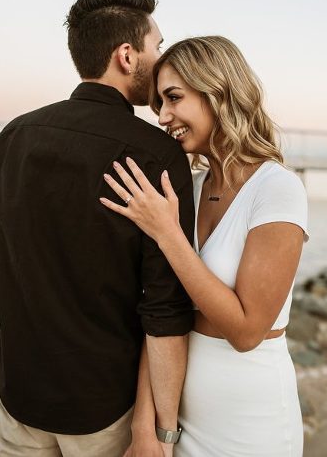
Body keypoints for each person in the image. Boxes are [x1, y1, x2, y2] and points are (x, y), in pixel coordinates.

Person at [0, 0, 195, 457]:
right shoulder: (157, 152)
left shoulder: (11, 137)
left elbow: (2, 252)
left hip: (17, 393)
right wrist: (161, 433)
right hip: (105, 409)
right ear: (127, 55)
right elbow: (164, 306)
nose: (160, 59)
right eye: (156, 46)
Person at [100, 36, 307, 456]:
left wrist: (168, 234)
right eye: (159, 103)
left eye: (174, 98)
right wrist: (147, 428)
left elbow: (247, 331)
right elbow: (159, 312)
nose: (163, 116)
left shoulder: (278, 189)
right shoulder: (187, 191)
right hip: (178, 421)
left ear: (219, 92)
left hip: (252, 423)